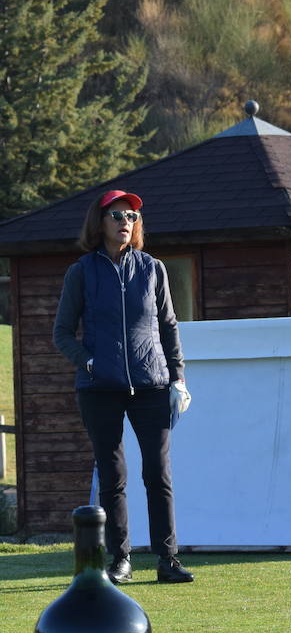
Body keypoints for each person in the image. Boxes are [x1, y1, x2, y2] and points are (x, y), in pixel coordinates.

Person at [52, 190, 194, 585]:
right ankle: (121, 560)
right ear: (100, 223)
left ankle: (168, 560)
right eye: (117, 215)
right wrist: (90, 361)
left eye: (131, 216)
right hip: (99, 389)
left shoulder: (153, 269)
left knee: (158, 474)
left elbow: (168, 326)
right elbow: (62, 333)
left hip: (152, 384)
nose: (125, 222)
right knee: (113, 478)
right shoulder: (81, 271)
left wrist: (178, 376)